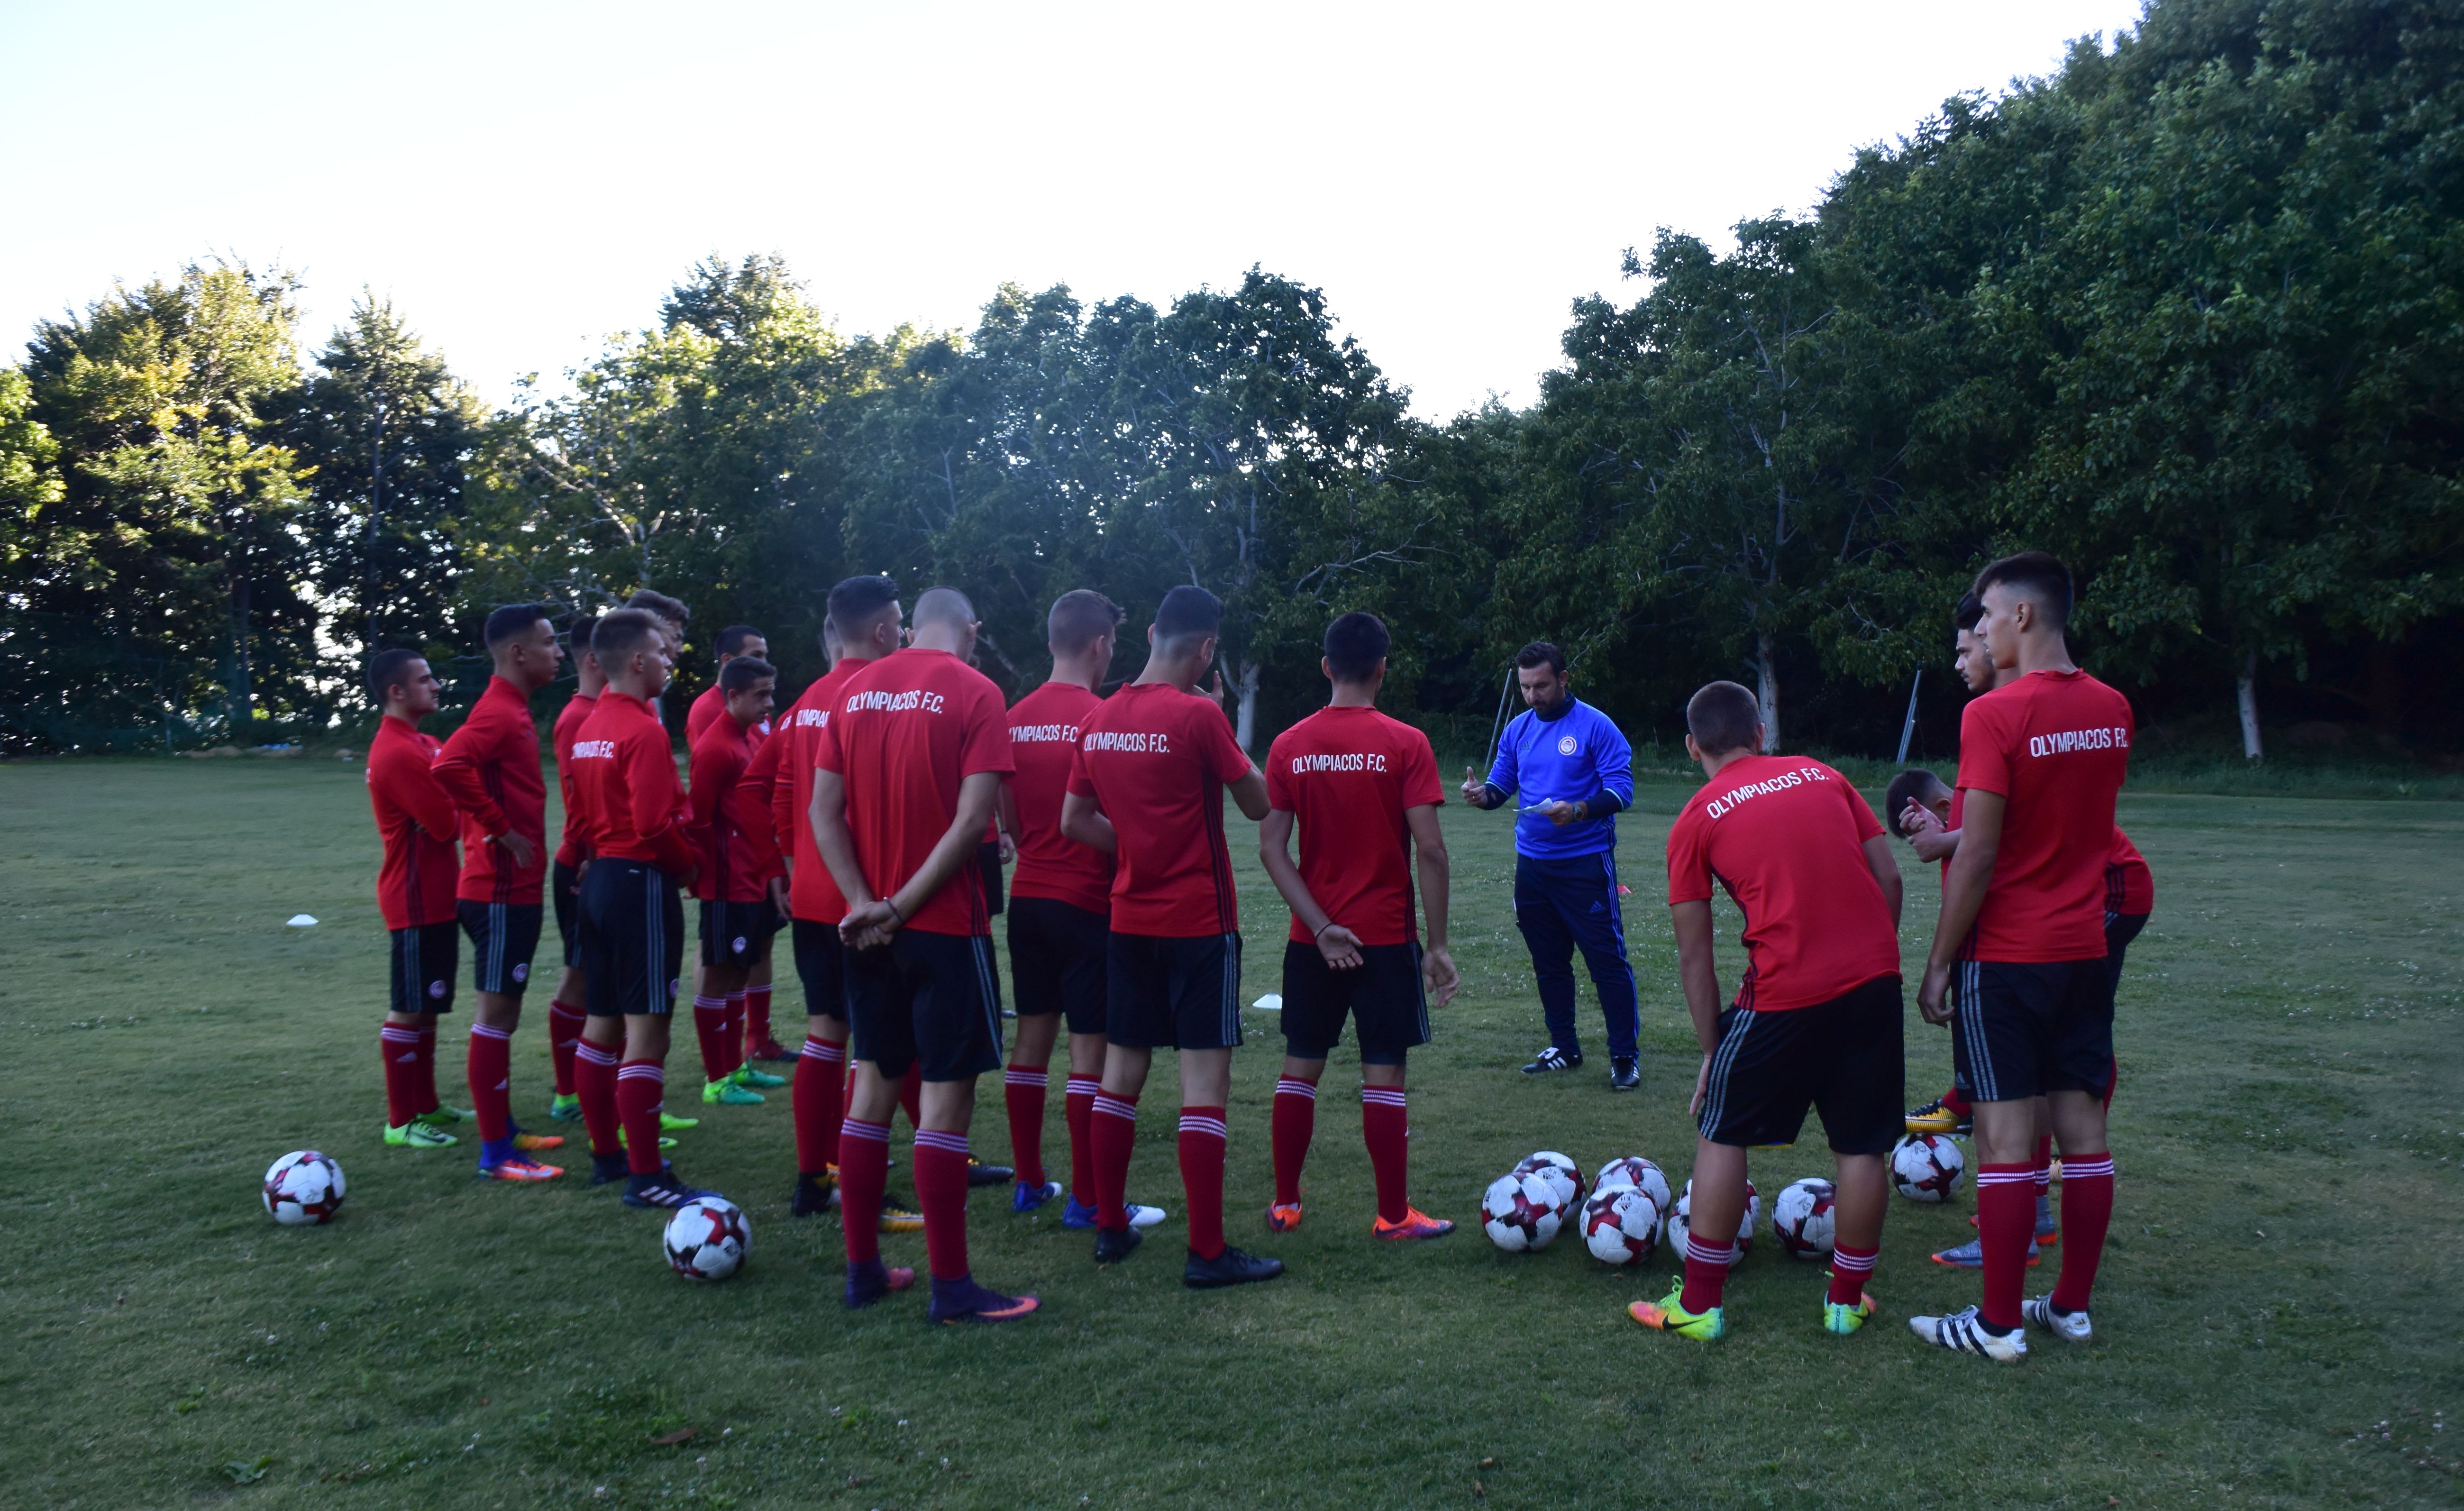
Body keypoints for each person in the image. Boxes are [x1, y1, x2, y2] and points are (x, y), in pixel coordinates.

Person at [1628, 681, 1904, 1341]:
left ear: (1693, 745)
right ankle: (1845, 1302)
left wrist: (1711, 1050)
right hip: (1874, 979)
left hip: (1782, 991)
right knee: (1861, 1145)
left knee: (1722, 1132)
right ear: (1759, 733)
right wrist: (1868, 963)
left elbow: (1696, 958)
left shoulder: (1694, 817)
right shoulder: (1825, 774)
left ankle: (1698, 1306)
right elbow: (1889, 880)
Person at [1910, 551, 2134, 1362]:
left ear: (2024, 618)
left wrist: (1939, 961)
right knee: (2083, 1136)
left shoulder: (1993, 716)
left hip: (2006, 954)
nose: (1980, 628)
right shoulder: (2112, 708)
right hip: (2082, 946)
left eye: (1987, 615)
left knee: (2005, 1142)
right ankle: (2068, 1307)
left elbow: (1975, 853)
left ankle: (1998, 1325)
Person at [811, 586, 1037, 1323]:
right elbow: (976, 818)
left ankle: (861, 1271)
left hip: (865, 929)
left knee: (871, 1085)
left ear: (910, 627)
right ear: (970, 630)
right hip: (942, 925)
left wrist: (860, 903)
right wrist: (903, 906)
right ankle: (952, 1286)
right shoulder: (977, 691)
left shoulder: (854, 689)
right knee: (944, 1098)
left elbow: (823, 810)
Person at [1061, 584, 1284, 1290]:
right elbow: (1257, 803)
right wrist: (1224, 723)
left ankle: (1107, 1226)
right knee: (1203, 1084)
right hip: (1198, 924)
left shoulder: (1098, 719)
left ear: (1152, 630)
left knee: (1119, 1075)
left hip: (1128, 919)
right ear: (1206, 648)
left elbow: (1073, 819)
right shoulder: (1197, 715)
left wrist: (1133, 849)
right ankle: (1207, 1250)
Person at [1257, 611, 1460, 1241]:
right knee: (1384, 1070)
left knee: (1299, 1066)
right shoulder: (1406, 742)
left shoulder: (1288, 743)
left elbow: (1271, 848)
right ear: (1382, 667)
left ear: (1325, 667)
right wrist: (1438, 944)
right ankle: (1393, 1213)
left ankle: (1286, 1202)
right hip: (1382, 937)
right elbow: (1429, 849)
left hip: (1311, 941)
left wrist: (1318, 926)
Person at [741, 577, 920, 1229]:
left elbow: (762, 785)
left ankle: (813, 1176)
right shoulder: (881, 697)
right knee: (877, 1048)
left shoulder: (805, 703)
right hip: (863, 899)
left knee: (826, 1035)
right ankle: (864, 1185)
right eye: (900, 623)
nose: (904, 634)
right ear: (880, 630)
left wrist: (781, 866)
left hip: (815, 897)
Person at [997, 589, 1166, 1232]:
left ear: (1050, 641)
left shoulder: (1012, 718)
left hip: (1028, 901)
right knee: (1089, 1053)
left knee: (1031, 1042)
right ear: (1100, 645)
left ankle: (1027, 1179)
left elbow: (1008, 822)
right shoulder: (1103, 718)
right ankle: (1090, 1198)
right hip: (1087, 902)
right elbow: (1116, 818)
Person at [569, 609, 715, 1208]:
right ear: (636, 661)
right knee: (647, 1034)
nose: (669, 661)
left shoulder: (589, 725)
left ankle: (609, 1156)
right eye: (661, 652)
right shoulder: (643, 730)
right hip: (640, 883)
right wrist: (687, 868)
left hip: (601, 878)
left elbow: (580, 814)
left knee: (599, 1024)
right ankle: (647, 1175)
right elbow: (655, 822)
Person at [1459, 642, 1642, 1088]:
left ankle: (1624, 1057)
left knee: (1607, 962)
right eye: (1525, 686)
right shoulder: (1518, 729)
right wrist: (1482, 796)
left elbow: (1622, 791)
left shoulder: (1597, 726)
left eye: (1541, 684)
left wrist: (1578, 809)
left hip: (1584, 865)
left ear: (1563, 679)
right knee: (1548, 962)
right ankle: (1565, 1046)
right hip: (1533, 868)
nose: (1533, 694)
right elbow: (1501, 787)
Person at [431, 603, 568, 1181]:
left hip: (507, 888)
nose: (558, 651)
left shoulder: (511, 709)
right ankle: (496, 1153)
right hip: (498, 889)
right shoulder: (499, 713)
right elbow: (449, 766)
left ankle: (502, 1127)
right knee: (497, 1015)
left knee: (503, 1014)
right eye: (548, 641)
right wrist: (501, 828)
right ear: (518, 653)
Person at [365, 649, 466, 1149]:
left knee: (428, 1005)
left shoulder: (425, 742)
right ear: (396, 692)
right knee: (408, 1007)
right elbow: (449, 824)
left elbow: (451, 803)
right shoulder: (398, 751)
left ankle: (426, 1102)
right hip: (414, 897)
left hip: (439, 893)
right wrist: (455, 799)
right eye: (425, 680)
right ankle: (401, 1120)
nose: (437, 686)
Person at [686, 624, 791, 1065]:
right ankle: (719, 1074)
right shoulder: (713, 736)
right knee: (720, 971)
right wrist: (698, 875)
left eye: (771, 694)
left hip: (753, 869)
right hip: (728, 877)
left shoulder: (748, 731)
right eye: (762, 695)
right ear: (734, 690)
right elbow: (698, 816)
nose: (769, 704)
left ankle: (740, 1060)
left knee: (742, 965)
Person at [544, 613, 603, 1124]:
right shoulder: (578, 717)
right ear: (595, 658)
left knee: (605, 978)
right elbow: (579, 799)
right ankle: (568, 1091)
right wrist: (590, 858)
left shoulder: (604, 711)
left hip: (601, 862)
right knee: (579, 976)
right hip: (582, 863)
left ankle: (603, 1088)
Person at [686, 625, 771, 744]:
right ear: (728, 661)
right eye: (756, 656)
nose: (765, 663)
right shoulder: (706, 710)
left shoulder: (761, 702)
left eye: (765, 656)